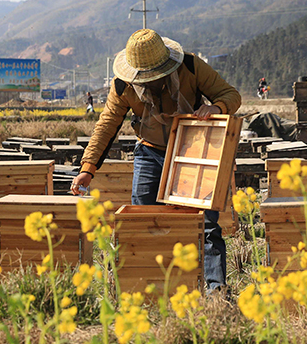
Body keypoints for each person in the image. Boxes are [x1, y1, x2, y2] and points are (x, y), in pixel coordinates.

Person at [71, 29, 241, 294]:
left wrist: (215, 108)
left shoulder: (191, 66)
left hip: (193, 149)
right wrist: (87, 169)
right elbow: (106, 126)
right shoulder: (122, 85)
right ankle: (148, 290)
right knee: (143, 224)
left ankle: (216, 291)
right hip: (149, 153)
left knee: (205, 224)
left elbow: (231, 95)